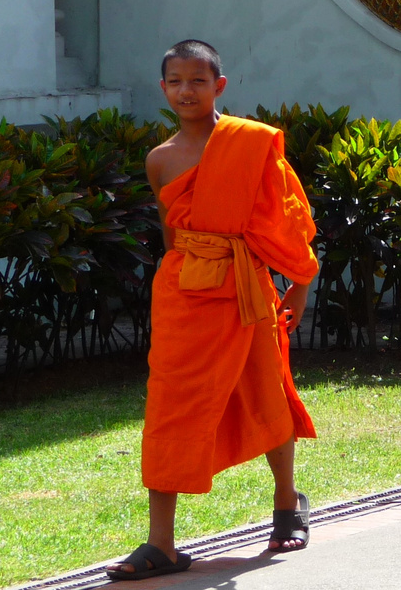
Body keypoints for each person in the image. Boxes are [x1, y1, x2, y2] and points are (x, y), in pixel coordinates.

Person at [107, 40, 320, 581]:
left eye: (198, 81)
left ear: (219, 86)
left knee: (264, 390)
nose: (186, 90)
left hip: (246, 290)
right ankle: (161, 543)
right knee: (169, 406)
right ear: (163, 89)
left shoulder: (249, 143)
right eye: (176, 81)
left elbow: (286, 220)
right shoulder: (160, 158)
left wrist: (296, 287)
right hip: (184, 294)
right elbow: (173, 234)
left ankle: (286, 502)